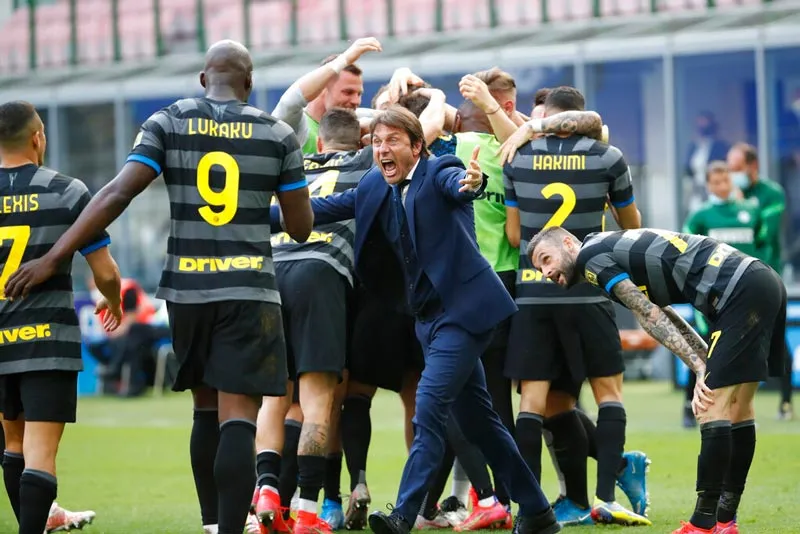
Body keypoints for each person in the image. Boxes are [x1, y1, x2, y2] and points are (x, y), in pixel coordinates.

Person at [3, 41, 314, 534]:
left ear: (202, 79)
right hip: (248, 291)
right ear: (249, 82)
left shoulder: (169, 121)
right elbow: (299, 227)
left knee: (205, 409)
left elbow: (117, 192)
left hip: (186, 290)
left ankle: (210, 523)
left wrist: (54, 256)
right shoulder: (276, 133)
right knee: (239, 417)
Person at [272, 105, 561, 534]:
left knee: (428, 408)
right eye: (376, 142)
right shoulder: (374, 184)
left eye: (392, 141)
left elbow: (460, 185)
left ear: (417, 145)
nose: (382, 149)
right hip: (427, 320)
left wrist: (473, 182)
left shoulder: (441, 169)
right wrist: (250, 215)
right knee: (481, 423)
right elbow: (322, 209)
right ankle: (538, 512)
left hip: (465, 313)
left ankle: (403, 516)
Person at [528, 226, 787, 534]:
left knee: (710, 406)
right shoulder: (606, 249)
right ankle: (724, 521)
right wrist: (702, 361)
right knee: (739, 408)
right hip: (761, 279)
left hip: (738, 291)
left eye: (546, 259)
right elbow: (663, 313)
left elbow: (649, 313)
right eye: (539, 269)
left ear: (568, 243)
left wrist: (699, 368)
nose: (546, 272)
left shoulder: (590, 259)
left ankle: (703, 523)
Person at [500, 86, 649, 527]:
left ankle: (531, 508)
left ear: (546, 115)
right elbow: (631, 226)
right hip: (590, 289)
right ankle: (606, 498)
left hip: (534, 293)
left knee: (533, 404)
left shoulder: (518, 157)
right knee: (608, 394)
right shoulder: (608, 157)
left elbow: (514, 237)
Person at [0, 100, 122, 534]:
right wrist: (113, 301)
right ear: (38, 138)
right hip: (47, 341)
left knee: (13, 444)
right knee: (41, 452)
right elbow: (105, 272)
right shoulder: (67, 191)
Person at [252, 107, 375, 534]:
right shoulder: (365, 163)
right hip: (321, 273)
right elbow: (423, 126)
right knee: (318, 400)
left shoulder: (295, 165)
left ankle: (267, 492)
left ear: (319, 143)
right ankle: (306, 513)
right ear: (362, 141)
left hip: (271, 273)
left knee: (274, 397)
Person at [680, 161, 763, 427]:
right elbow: (687, 254)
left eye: (726, 180)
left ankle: (743, 409)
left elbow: (764, 244)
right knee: (704, 351)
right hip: (712, 297)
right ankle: (689, 404)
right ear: (708, 185)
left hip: (747, 294)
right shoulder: (700, 216)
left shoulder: (750, 211)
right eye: (716, 182)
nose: (722, 186)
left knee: (750, 352)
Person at [726, 143, 792, 420]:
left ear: (753, 166)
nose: (733, 174)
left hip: (768, 276)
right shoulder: (728, 194)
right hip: (733, 279)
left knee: (776, 338)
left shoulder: (772, 193)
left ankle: (786, 402)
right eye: (730, 169)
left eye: (737, 168)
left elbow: (764, 233)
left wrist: (741, 207)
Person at [271, 37, 382, 155]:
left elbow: (391, 117)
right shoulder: (297, 125)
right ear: (322, 87)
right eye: (348, 92)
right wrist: (345, 58)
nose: (356, 101)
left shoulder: (354, 119)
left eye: (359, 94)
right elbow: (289, 102)